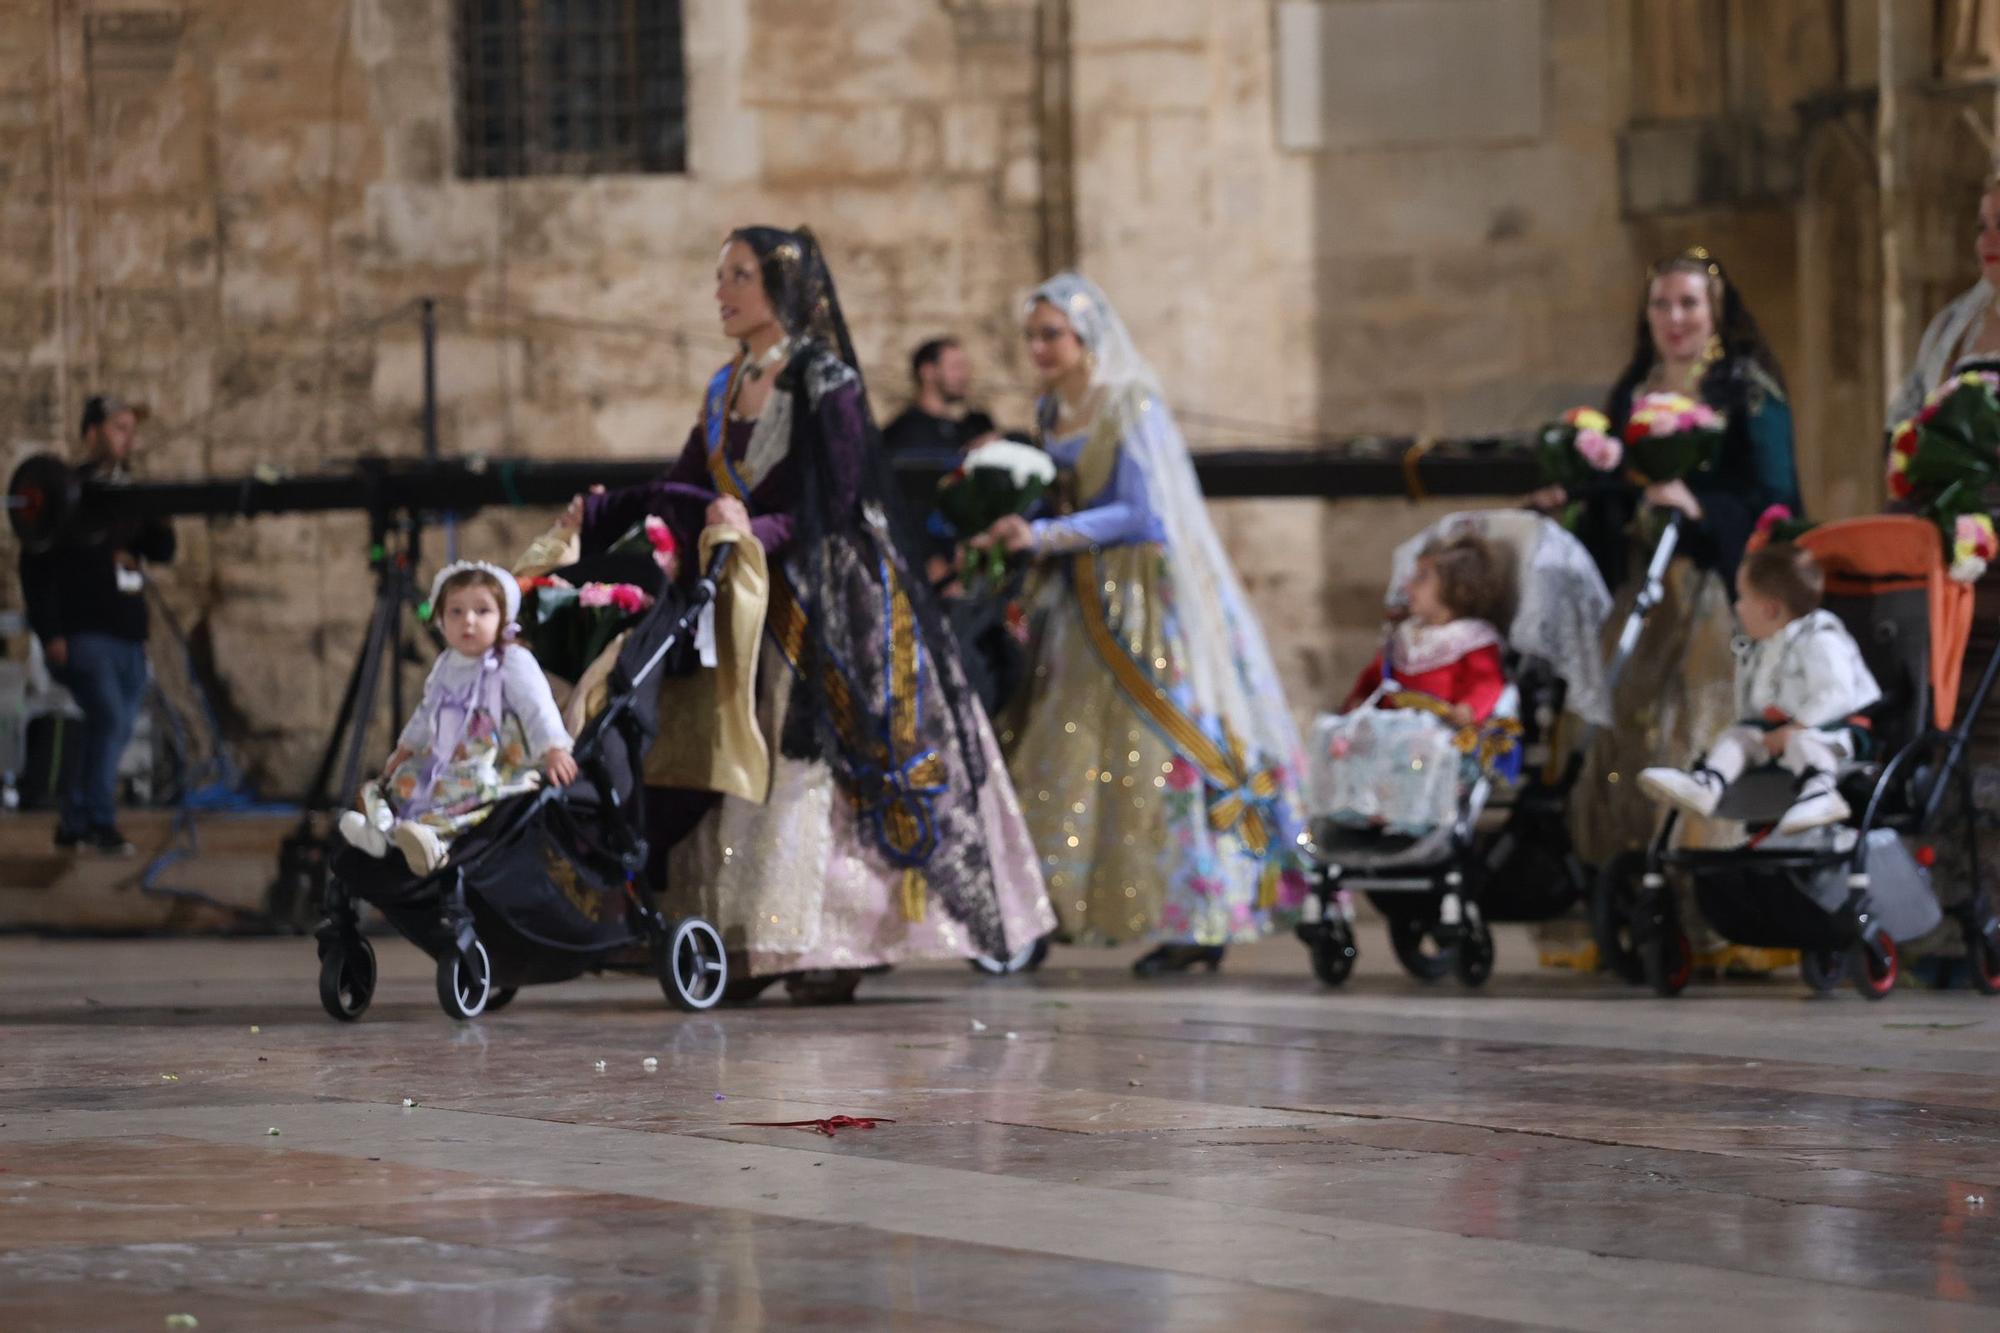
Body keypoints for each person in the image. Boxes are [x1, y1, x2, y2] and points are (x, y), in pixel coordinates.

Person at [572, 226, 1054, 1002]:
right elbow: (688, 480)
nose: (721, 290)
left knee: (814, 758)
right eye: (719, 274)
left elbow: (833, 496)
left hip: (832, 593)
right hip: (748, 593)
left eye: (738, 275)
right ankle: (740, 933)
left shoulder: (824, 380)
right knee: (737, 746)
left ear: (781, 290)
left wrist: (753, 532)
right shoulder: (725, 384)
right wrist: (625, 520)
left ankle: (831, 937)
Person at [973, 273, 1308, 976]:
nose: (1038, 347)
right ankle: (1045, 910)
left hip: (1140, 602)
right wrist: (1013, 527)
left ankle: (1198, 915)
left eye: (1050, 334)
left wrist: (1048, 536)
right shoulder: (1048, 409)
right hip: (1075, 601)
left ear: (1085, 335)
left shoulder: (1130, 403)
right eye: (1032, 335)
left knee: (1162, 747)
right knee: (1059, 749)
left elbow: (1143, 511)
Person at [1533, 248, 1803, 973]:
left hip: (1715, 595)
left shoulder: (1746, 389)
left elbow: (1778, 502)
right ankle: (1628, 899)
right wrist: (1575, 499)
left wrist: (1701, 506)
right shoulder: (1632, 392)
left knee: (1695, 730)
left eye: (1688, 303)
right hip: (1644, 598)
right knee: (1617, 734)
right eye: (1662, 305)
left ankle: (1712, 915)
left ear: (1714, 311)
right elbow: (1620, 499)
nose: (1675, 318)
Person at [338, 561, 575, 875]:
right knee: (402, 780)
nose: (469, 621)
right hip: (449, 751)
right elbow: (428, 710)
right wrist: (407, 748)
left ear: (503, 618)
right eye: (456, 612)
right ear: (440, 620)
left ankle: (436, 842)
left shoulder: (512, 660)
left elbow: (537, 706)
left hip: (495, 758)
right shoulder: (447, 664)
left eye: (482, 611)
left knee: (466, 788)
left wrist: (553, 748)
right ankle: (384, 835)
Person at [1639, 543, 1880, 836]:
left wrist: (1798, 726)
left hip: (1829, 730)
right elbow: (1755, 704)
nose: (1737, 607)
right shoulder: (1765, 647)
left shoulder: (1819, 637)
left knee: (1801, 744)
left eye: (1742, 599)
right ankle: (1708, 783)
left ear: (1770, 609)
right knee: (1738, 737)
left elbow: (1837, 692)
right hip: (1778, 733)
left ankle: (1820, 791)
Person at [21, 394, 174, 857]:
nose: (126, 436)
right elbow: (35, 567)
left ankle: (74, 819)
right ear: (91, 433)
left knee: (111, 726)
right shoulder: (66, 493)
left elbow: (163, 549)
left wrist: (154, 510)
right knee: (109, 718)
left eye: (130, 427)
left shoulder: (130, 494)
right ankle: (99, 822)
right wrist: (51, 635)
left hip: (128, 632)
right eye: (116, 427)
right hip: (84, 634)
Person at [1320, 534, 1517, 837]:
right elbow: (1376, 676)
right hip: (1396, 728)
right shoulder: (1405, 636)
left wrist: (1469, 709)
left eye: (1421, 578)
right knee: (1341, 738)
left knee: (1418, 751)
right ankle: (1358, 812)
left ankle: (1411, 819)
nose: (1408, 586)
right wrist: (1359, 698)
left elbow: (1487, 681)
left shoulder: (1472, 639)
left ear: (1459, 590)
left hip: (1441, 733)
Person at [1889, 171, 2000, 424]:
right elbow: (1907, 416)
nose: (1987, 240)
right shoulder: (1952, 324)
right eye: (1982, 226)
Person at [882, 337, 999, 456]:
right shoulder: (906, 430)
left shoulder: (968, 427)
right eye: (956, 367)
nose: (964, 376)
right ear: (927, 372)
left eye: (966, 368)